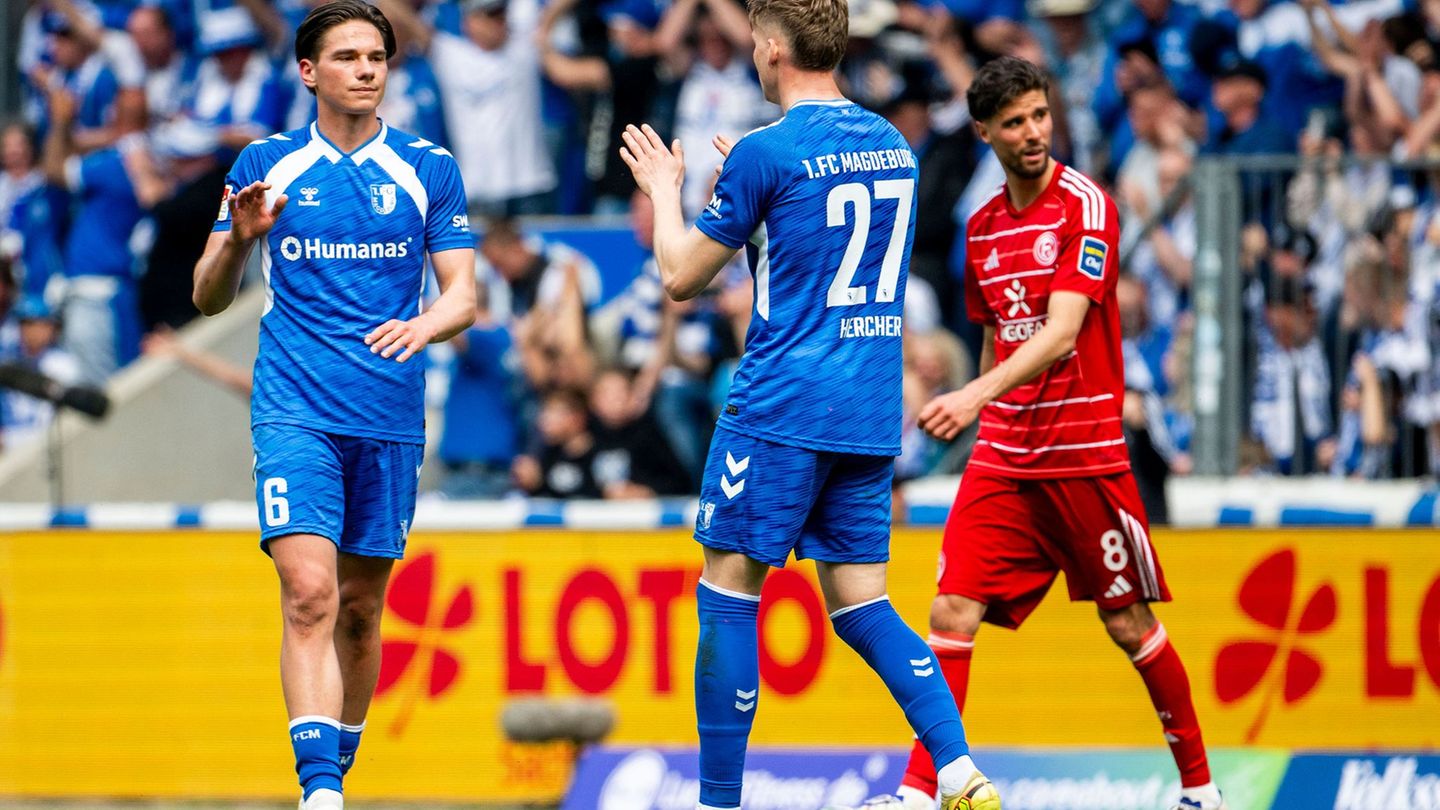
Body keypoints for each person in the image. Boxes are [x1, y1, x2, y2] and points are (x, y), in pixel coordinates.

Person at [617, 0, 998, 805]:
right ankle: (959, 768)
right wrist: (753, 189)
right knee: (863, 604)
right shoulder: (890, 144)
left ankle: (718, 801)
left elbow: (681, 277)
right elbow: (811, 231)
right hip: (868, 404)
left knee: (728, 594)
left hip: (782, 401)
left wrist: (666, 189)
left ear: (769, 49)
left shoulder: (766, 152)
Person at [893, 56, 1224, 810]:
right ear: (985, 133)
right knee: (949, 612)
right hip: (1005, 454)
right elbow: (995, 337)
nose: (1033, 132)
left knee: (1127, 622)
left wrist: (971, 395)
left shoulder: (1086, 205)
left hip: (1083, 453)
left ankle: (1201, 789)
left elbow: (1062, 331)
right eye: (1014, 122)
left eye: (1040, 115)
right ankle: (918, 790)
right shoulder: (981, 229)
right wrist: (975, 418)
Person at [190, 2, 476, 808]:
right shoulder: (266, 164)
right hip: (294, 410)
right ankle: (320, 792)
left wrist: (425, 324)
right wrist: (240, 239)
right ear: (309, 72)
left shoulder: (427, 167)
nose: (366, 69)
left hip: (387, 415)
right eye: (347, 57)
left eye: (376, 56)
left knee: (358, 609)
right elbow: (207, 296)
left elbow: (464, 296)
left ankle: (335, 776)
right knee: (309, 590)